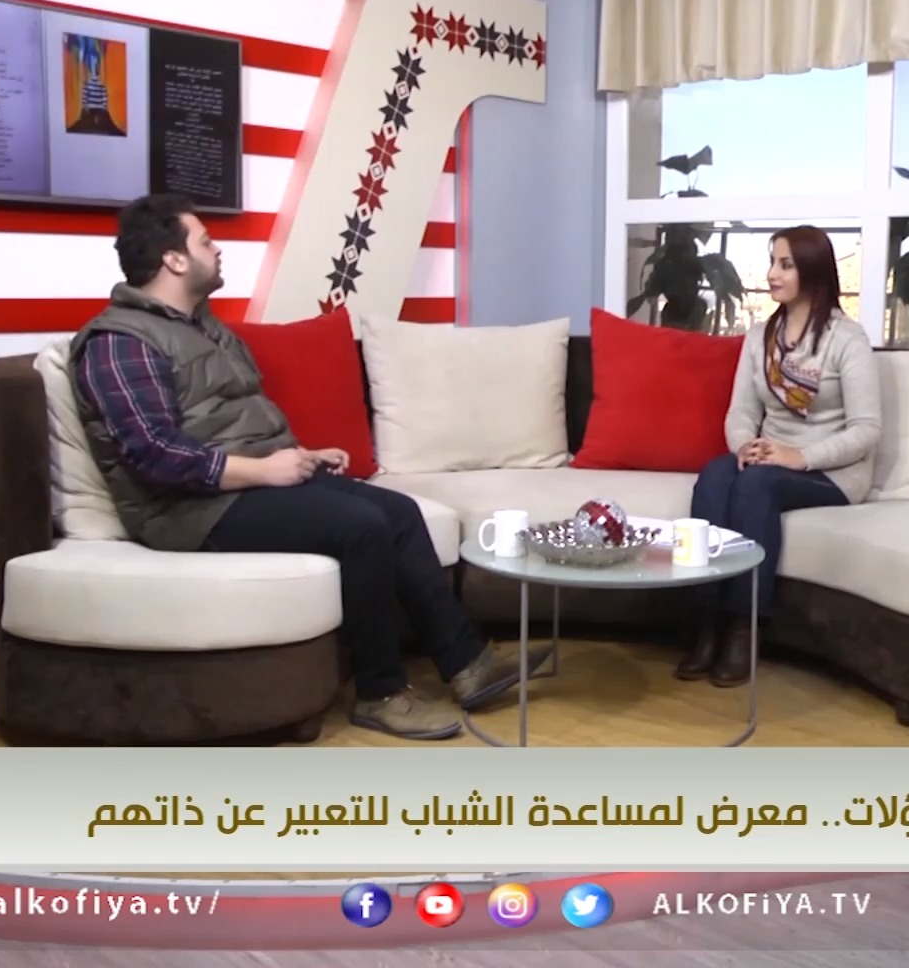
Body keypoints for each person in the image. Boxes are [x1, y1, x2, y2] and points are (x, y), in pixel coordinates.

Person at [69, 193, 550, 741]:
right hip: (184, 511)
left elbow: (239, 425)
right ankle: (380, 693)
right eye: (205, 241)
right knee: (360, 527)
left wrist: (300, 457)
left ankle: (467, 664)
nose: (217, 250)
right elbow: (155, 455)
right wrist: (263, 472)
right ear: (174, 260)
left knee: (398, 511)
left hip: (237, 487)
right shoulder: (119, 343)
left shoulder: (206, 327)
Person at [678, 225, 883, 686]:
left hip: (833, 472)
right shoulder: (760, 337)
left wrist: (800, 456)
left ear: (812, 271)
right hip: (771, 458)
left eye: (785, 265)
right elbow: (740, 412)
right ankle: (705, 622)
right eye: (773, 261)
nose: (772, 273)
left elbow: (867, 431)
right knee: (715, 476)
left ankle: (743, 627)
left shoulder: (846, 338)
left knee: (756, 484)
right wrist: (744, 445)